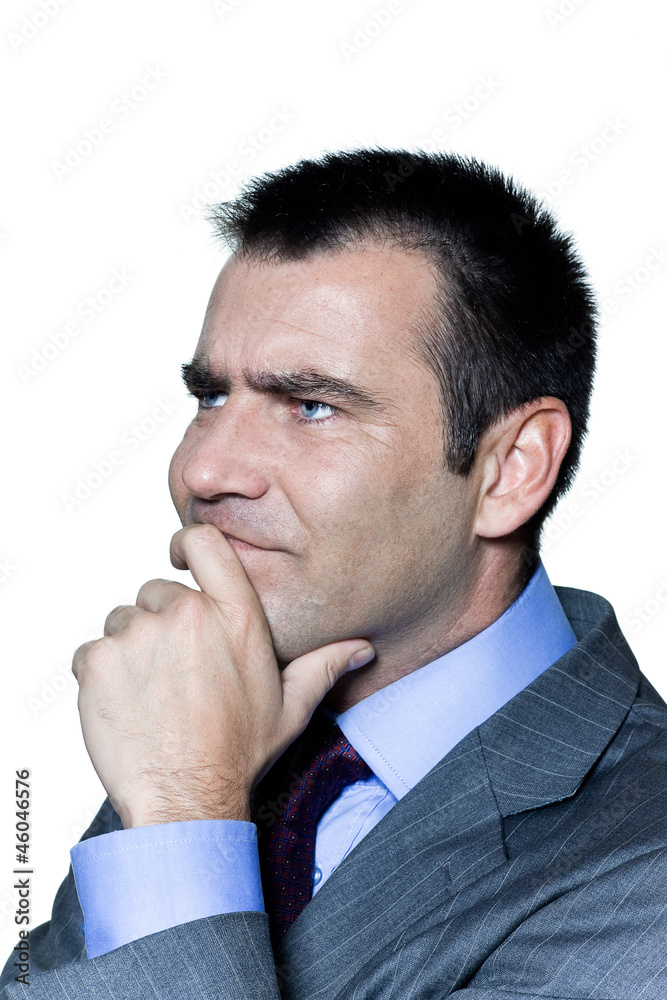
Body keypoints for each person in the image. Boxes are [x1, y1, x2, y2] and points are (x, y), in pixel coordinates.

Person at [3, 149, 666, 999]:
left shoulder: (643, 860)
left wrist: (180, 815)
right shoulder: (207, 719)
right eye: (211, 396)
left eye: (312, 406)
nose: (203, 471)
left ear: (510, 470)